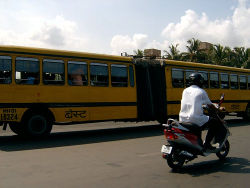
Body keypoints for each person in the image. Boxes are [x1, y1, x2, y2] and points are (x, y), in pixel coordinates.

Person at [179, 73, 222, 151]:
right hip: (195, 119)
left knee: (202, 121)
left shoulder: (185, 90)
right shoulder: (201, 91)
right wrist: (218, 108)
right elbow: (210, 105)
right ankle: (207, 144)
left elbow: (191, 102)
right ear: (200, 81)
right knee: (215, 123)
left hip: (183, 119)